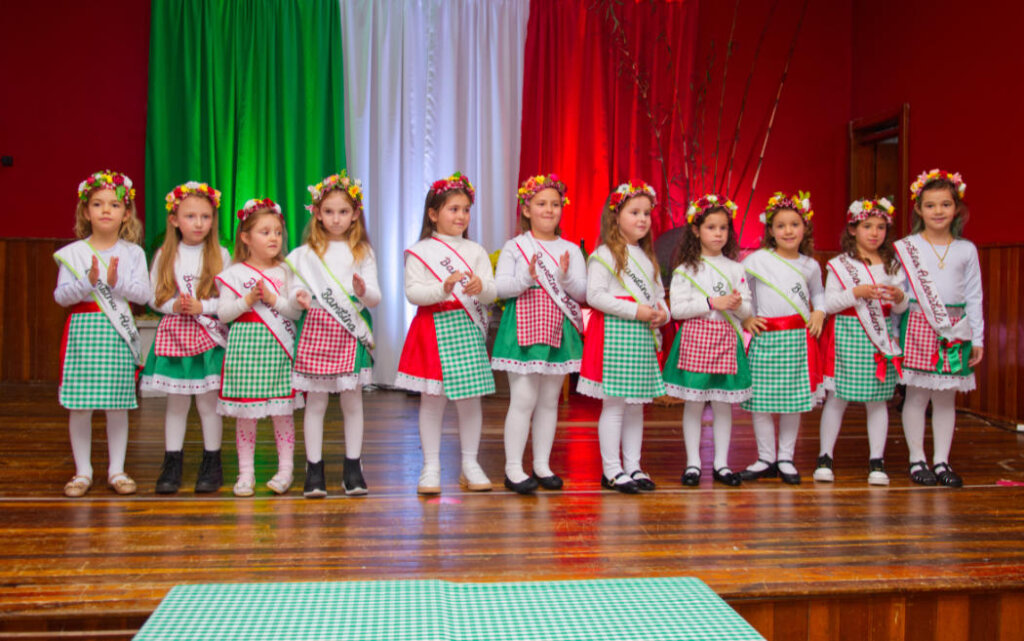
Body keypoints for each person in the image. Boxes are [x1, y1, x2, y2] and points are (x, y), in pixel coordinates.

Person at [395, 172, 497, 494]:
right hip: (433, 329)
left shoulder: (476, 250)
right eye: (453, 209)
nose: (461, 216)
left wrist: (482, 288)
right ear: (433, 213)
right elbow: (413, 293)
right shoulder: (420, 251)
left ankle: (470, 463)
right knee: (432, 400)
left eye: (466, 209)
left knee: (470, 400)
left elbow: (491, 291)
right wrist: (443, 287)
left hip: (466, 329)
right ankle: (431, 466)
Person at [54, 170, 151, 497]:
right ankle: (82, 472)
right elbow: (61, 297)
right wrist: (88, 282)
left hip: (117, 335)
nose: (106, 210)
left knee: (117, 403)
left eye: (114, 204)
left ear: (126, 213)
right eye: (97, 204)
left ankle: (116, 470)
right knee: (80, 405)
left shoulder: (133, 253)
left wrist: (114, 282)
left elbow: (143, 295)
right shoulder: (73, 253)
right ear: (86, 211)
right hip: (84, 333)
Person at [286, 171, 379, 497]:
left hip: (349, 332)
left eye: (343, 211)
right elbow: (294, 290)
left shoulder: (363, 252)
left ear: (354, 214)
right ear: (316, 212)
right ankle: (314, 470)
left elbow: (375, 298)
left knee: (352, 401)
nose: (336, 218)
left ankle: (353, 468)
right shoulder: (304, 254)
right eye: (328, 211)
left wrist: (363, 290)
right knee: (316, 402)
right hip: (315, 329)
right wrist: (298, 296)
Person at [492, 174, 586, 494]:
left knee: (549, 401)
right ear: (526, 208)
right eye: (541, 203)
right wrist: (525, 278)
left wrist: (564, 277)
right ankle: (513, 468)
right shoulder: (515, 246)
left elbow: (582, 292)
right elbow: (499, 288)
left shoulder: (570, 249)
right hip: (523, 328)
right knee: (523, 399)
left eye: (555, 204)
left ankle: (542, 465)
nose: (549, 210)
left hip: (558, 328)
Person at [578, 180, 669, 494]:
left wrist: (663, 314)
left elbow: (659, 298)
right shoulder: (604, 254)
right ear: (616, 215)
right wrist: (635, 311)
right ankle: (612, 470)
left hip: (641, 338)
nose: (642, 219)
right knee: (615, 405)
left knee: (636, 406)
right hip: (615, 336)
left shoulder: (647, 257)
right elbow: (595, 296)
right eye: (634, 212)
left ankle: (633, 466)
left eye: (646, 213)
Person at [894, 170, 982, 488]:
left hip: (954, 328)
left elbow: (974, 295)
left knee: (946, 398)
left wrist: (977, 337)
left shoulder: (966, 249)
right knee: (917, 396)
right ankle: (917, 459)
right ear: (919, 209)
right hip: (917, 324)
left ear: (956, 208)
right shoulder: (907, 247)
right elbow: (898, 293)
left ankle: (942, 460)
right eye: (930, 205)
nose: (938, 211)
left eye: (945, 204)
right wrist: (894, 335)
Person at [142, 181, 230, 494]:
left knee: (208, 404)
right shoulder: (166, 254)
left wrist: (203, 306)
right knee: (176, 404)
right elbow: (153, 296)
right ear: (174, 219)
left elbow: (230, 300)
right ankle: (172, 463)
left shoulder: (221, 254)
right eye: (190, 216)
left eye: (205, 217)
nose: (198, 223)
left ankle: (212, 462)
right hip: (175, 336)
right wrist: (174, 306)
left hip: (208, 338)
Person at [663, 194, 753, 487]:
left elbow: (747, 310)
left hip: (726, 340)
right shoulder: (686, 269)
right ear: (696, 230)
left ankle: (721, 464)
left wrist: (737, 305)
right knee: (694, 402)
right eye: (711, 227)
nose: (718, 234)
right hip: (695, 340)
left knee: (723, 404)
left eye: (723, 228)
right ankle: (693, 463)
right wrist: (713, 302)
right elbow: (678, 310)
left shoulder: (736, 269)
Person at [815, 198, 906, 485]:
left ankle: (877, 460)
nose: (875, 233)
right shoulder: (840, 265)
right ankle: (825, 457)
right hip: (847, 335)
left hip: (880, 338)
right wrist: (856, 292)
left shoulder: (893, 265)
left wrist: (900, 298)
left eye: (880, 227)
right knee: (837, 397)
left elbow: (901, 307)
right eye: (867, 226)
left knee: (878, 400)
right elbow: (829, 304)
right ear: (853, 229)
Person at [216, 198, 303, 497]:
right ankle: (246, 473)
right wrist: (248, 300)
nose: (273, 238)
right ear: (245, 237)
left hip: (278, 350)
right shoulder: (234, 274)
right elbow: (223, 314)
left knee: (283, 413)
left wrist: (272, 298)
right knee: (246, 415)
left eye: (277, 232)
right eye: (265, 232)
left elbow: (293, 313)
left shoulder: (287, 271)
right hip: (245, 351)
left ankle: (285, 470)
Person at [739, 191, 825, 485]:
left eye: (794, 224)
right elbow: (741, 291)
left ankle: (786, 457)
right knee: (761, 402)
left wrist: (819, 312)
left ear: (805, 228)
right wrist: (746, 318)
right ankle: (766, 458)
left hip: (798, 340)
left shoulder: (810, 265)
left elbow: (818, 294)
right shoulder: (756, 261)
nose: (788, 231)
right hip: (765, 337)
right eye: (781, 226)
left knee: (793, 402)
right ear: (771, 230)